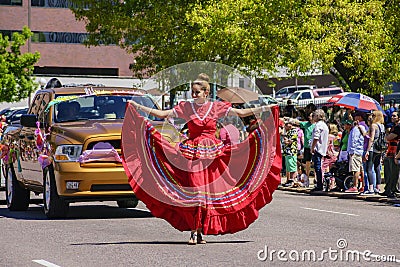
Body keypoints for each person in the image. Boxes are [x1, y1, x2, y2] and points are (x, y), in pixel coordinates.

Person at [123, 73, 281, 245]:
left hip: (213, 156)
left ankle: (200, 232)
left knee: (207, 196)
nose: (194, 95)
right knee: (196, 192)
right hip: (192, 155)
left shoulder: (215, 107)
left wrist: (266, 108)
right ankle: (193, 231)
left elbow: (241, 112)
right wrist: (138, 106)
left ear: (206, 92)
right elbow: (162, 114)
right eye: (192, 92)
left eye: (197, 92)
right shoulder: (186, 107)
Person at [365, 110, 385, 194]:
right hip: (380, 149)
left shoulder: (374, 125)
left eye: (373, 115)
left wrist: (367, 150)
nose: (371, 117)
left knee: (369, 167)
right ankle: (378, 187)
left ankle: (371, 188)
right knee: (377, 167)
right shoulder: (382, 126)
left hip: (373, 148)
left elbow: (371, 138)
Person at [310, 109, 329, 191]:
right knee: (319, 167)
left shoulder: (318, 125)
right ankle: (319, 184)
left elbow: (316, 138)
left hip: (318, 148)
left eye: (314, 115)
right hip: (323, 148)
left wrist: (312, 147)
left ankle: (319, 185)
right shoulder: (324, 125)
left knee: (317, 167)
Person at [345, 119, 366, 193]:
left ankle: (355, 186)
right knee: (361, 169)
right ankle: (363, 186)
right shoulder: (362, 127)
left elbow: (354, 140)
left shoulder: (356, 129)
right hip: (359, 151)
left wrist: (352, 151)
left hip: (355, 151)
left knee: (355, 169)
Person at [383, 111, 400, 197]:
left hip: (395, 152)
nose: (392, 117)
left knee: (394, 173)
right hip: (390, 151)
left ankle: (394, 190)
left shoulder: (398, 127)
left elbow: (388, 138)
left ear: (398, 117)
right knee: (388, 172)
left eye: (394, 116)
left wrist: (387, 134)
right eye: (391, 116)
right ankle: (388, 189)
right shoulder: (394, 127)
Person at [282, 119, 298, 186]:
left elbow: (289, 142)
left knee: (292, 166)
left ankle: (292, 180)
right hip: (287, 152)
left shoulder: (294, 131)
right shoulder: (289, 131)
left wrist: (285, 140)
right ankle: (290, 180)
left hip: (291, 151)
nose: (285, 126)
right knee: (288, 166)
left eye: (286, 124)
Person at [299, 112, 315, 181]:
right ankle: (307, 177)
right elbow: (298, 123)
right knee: (307, 162)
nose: (309, 117)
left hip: (314, 146)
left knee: (314, 162)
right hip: (307, 146)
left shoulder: (316, 125)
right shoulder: (306, 124)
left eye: (311, 116)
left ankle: (316, 177)